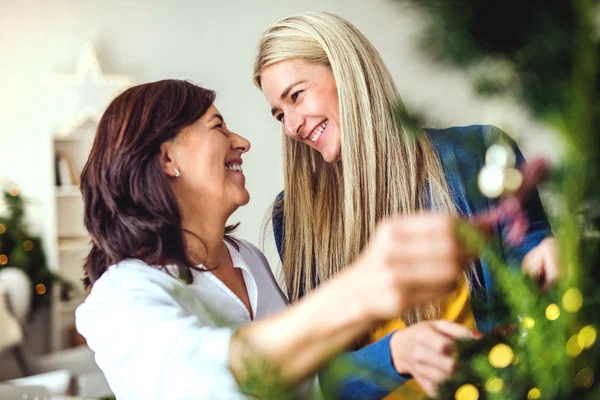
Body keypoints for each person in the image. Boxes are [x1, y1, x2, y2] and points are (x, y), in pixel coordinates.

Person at [74, 79, 474, 400]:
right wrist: (361, 290)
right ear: (167, 159)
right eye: (217, 126)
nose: (242, 141)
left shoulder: (247, 258)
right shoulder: (120, 296)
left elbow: (304, 385)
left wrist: (395, 353)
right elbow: (208, 378)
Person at [253, 12, 558, 399]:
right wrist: (395, 354)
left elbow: (534, 265)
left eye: (296, 96)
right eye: (279, 114)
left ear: (348, 72)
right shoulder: (294, 217)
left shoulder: (477, 153)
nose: (291, 126)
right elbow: (320, 377)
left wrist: (551, 255)